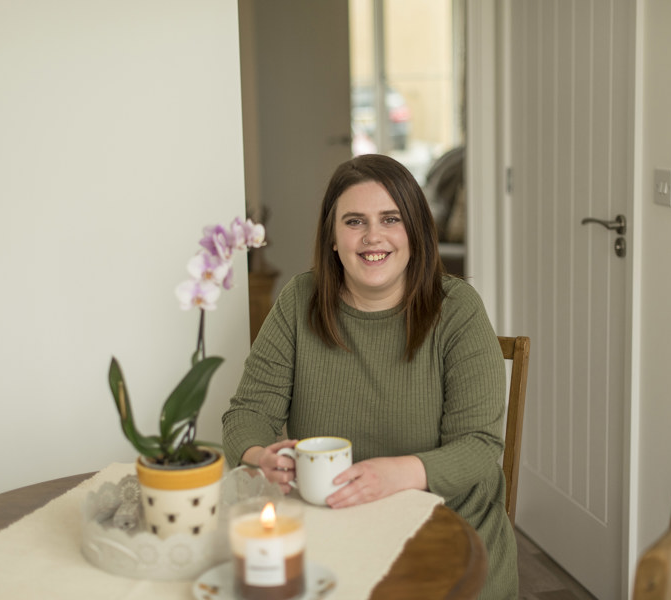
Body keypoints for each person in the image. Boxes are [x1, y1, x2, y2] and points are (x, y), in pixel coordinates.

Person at [222, 154, 517, 598]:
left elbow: (480, 445)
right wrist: (259, 455)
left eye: (390, 219)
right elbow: (247, 413)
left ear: (415, 233)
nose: (373, 236)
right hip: (333, 532)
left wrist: (397, 475)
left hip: (450, 536)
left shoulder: (457, 309)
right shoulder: (298, 301)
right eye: (355, 221)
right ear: (333, 239)